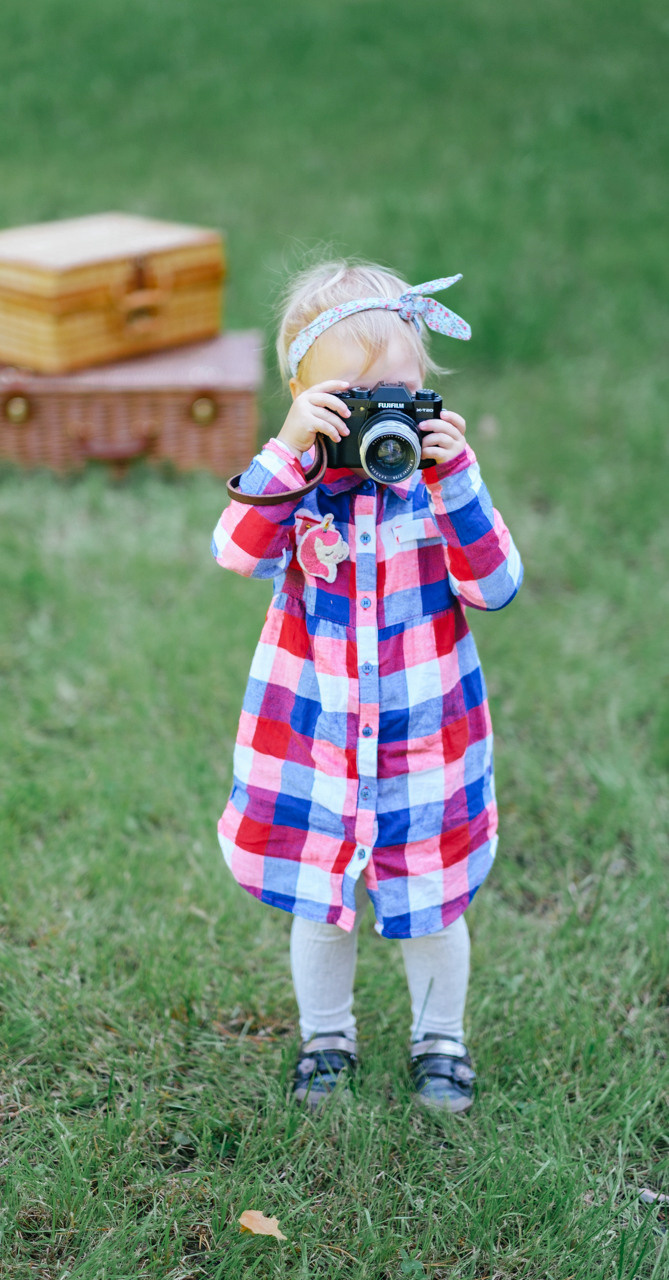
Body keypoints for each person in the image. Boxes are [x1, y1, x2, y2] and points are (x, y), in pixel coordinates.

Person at [210, 260, 523, 1113]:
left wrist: (455, 478)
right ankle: (326, 1038)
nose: (381, 419)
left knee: (432, 903)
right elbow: (234, 550)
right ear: (305, 398)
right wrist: (287, 451)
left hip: (424, 746)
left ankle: (439, 1040)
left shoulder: (434, 491)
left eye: (400, 396)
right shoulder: (299, 491)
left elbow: (496, 585)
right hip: (315, 744)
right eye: (353, 400)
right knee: (320, 903)